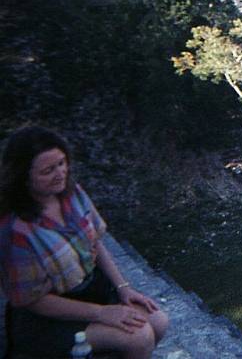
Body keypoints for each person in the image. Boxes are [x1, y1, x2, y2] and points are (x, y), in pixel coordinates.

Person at [0, 126, 169, 358]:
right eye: (48, 170)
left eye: (61, 163)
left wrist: (124, 288)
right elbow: (33, 301)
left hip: (93, 291)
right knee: (138, 337)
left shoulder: (72, 194)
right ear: (23, 177)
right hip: (49, 317)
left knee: (158, 321)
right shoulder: (16, 231)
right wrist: (102, 313)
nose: (60, 173)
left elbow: (95, 244)